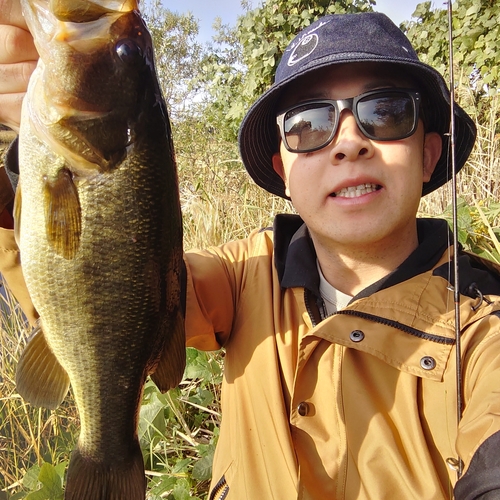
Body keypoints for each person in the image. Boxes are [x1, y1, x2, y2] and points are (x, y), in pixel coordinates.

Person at [1, 4, 500, 499]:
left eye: (386, 112)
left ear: (430, 154)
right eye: (309, 124)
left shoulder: (485, 336)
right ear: (283, 170)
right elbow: (106, 294)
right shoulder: (244, 275)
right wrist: (21, 156)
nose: (349, 142)